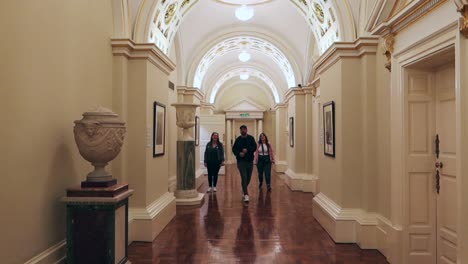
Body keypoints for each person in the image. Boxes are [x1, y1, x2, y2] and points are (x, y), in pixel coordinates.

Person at [232, 125, 257, 202]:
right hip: (241, 162)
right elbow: (234, 149)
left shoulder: (251, 138)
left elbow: (254, 147)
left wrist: (248, 150)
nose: (243, 131)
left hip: (249, 161)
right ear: (240, 131)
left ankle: (244, 188)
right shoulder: (238, 139)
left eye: (244, 129)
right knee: (244, 177)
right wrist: (239, 153)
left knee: (248, 177)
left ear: (246, 130)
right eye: (241, 130)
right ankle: (246, 194)